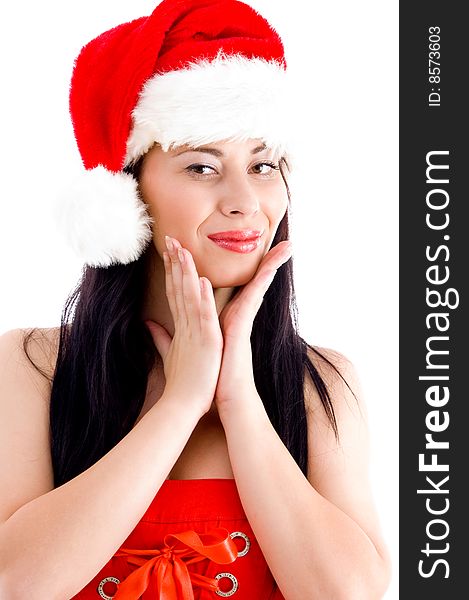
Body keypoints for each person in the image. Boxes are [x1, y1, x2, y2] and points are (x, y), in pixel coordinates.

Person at [0, 0, 391, 598]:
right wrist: (179, 403)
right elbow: (15, 583)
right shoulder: (36, 365)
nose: (244, 200)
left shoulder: (322, 382)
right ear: (128, 193)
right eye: (202, 167)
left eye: (262, 164)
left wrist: (238, 400)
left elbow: (350, 594)